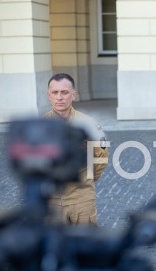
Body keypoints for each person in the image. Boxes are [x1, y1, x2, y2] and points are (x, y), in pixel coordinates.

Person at [44, 73, 108, 225]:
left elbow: (101, 159)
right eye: (55, 92)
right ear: (49, 95)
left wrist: (86, 181)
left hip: (81, 198)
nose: (59, 97)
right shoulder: (40, 126)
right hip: (51, 199)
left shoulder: (88, 124)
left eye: (64, 92)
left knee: (87, 246)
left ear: (73, 95)